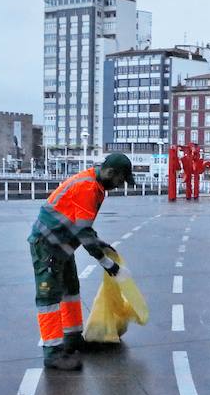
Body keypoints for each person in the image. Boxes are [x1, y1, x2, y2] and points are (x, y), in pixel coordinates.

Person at [28, 153, 135, 370]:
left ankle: (73, 339)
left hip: (63, 246)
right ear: (111, 172)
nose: (120, 185)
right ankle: (53, 353)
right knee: (49, 298)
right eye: (120, 180)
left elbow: (81, 225)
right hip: (47, 246)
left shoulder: (96, 186)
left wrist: (99, 242)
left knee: (71, 290)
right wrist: (108, 264)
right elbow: (84, 233)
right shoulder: (87, 188)